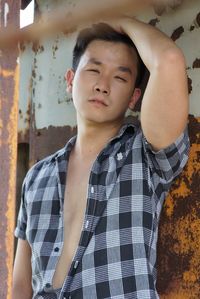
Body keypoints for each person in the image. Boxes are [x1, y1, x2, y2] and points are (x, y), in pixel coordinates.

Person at [12, 17, 190, 299]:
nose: (103, 85)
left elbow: (167, 59)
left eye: (119, 77)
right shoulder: (36, 177)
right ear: (70, 80)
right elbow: (20, 286)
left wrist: (120, 20)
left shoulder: (144, 156)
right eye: (94, 70)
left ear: (133, 97)